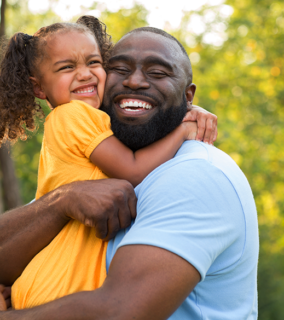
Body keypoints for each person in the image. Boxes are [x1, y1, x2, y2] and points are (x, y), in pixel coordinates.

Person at [0, 27, 259, 320]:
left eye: (158, 73)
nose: (134, 81)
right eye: (119, 69)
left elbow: (119, 312)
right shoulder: (90, 161)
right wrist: (63, 201)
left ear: (187, 96)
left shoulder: (197, 175)